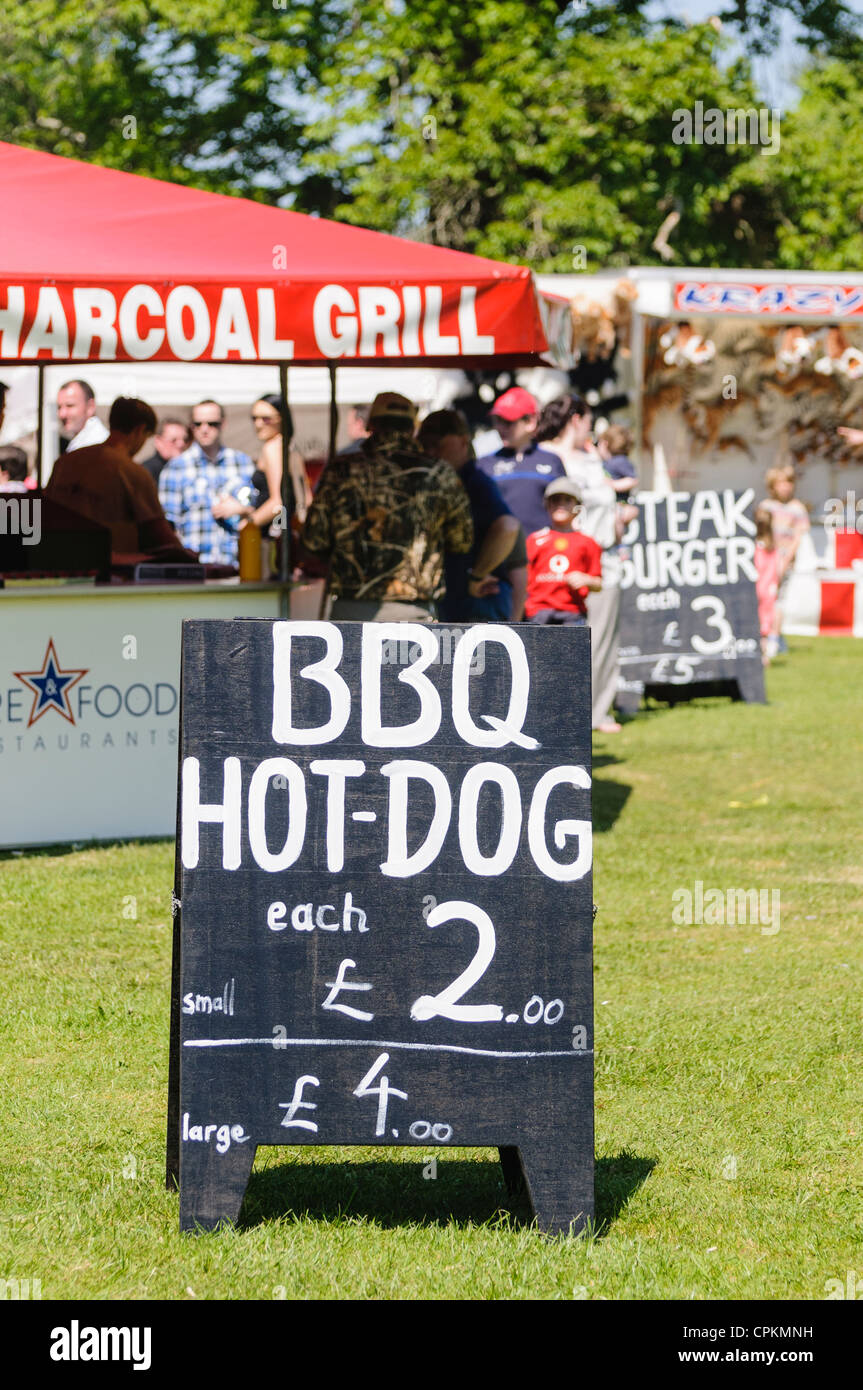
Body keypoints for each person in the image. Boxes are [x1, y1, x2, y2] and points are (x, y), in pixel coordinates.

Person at [301, 391, 473, 622]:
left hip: (352, 608)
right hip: (414, 611)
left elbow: (314, 539)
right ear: (413, 428)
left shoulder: (341, 471)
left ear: (371, 425)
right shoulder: (439, 474)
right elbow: (462, 541)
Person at [536, 393, 623, 732]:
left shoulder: (591, 459)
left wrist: (620, 522)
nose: (591, 426)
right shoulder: (548, 457)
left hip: (603, 557)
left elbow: (604, 505)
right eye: (588, 419)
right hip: (558, 563)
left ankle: (598, 711)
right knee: (559, 646)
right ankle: (558, 713)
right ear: (576, 419)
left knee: (600, 641)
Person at [45, 397, 196, 559]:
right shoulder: (131, 471)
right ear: (140, 430)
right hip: (111, 568)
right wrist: (186, 557)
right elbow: (158, 531)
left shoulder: (64, 463)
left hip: (61, 560)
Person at [417, 408, 519, 622]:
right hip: (459, 602)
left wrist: (477, 576)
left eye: (438, 444)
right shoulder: (450, 482)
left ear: (463, 442)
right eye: (425, 445)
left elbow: (508, 528)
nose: (430, 452)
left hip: (477, 603)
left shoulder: (474, 483)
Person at [158, 399, 253, 567]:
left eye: (212, 423)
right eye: (198, 424)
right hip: (194, 569)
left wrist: (243, 509)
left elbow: (264, 510)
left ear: (223, 424)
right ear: (191, 427)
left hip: (238, 564)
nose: (204, 429)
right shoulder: (175, 468)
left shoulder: (243, 463)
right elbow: (167, 526)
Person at [211, 394, 312, 531]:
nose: (258, 424)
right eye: (254, 418)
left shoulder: (273, 447)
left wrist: (248, 525)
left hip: (271, 536)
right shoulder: (291, 447)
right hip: (286, 532)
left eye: (266, 419)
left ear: (281, 419)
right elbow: (307, 498)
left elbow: (278, 502)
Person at [475, 387, 566, 536]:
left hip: (543, 552)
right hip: (499, 552)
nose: (500, 427)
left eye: (507, 422)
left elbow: (566, 507)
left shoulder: (552, 462)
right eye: (497, 420)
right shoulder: (484, 465)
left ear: (530, 421)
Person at [526, 480, 602, 625]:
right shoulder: (534, 540)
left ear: (578, 507)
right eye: (555, 500)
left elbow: (598, 582)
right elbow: (524, 579)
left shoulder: (588, 543)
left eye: (567, 500)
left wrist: (586, 579)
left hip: (573, 612)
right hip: (538, 611)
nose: (560, 505)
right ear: (547, 505)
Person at [758, 463, 810, 647]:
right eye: (780, 484)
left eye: (788, 483)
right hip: (764, 560)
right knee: (762, 597)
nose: (785, 488)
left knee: (777, 598)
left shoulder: (797, 508)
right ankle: (763, 634)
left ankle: (773, 637)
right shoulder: (766, 506)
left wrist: (785, 561)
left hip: (783, 559)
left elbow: (797, 538)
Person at [754, 505, 784, 664]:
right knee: (767, 620)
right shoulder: (772, 546)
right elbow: (777, 569)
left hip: (758, 587)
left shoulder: (753, 545)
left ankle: (764, 654)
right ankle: (766, 652)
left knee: (760, 621)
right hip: (769, 588)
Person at [56, 380, 109, 453]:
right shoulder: (82, 441)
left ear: (90, 406)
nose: (62, 414)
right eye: (59, 407)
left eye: (70, 406)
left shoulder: (94, 443)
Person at [138, 418, 190, 485]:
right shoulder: (146, 471)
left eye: (185, 440)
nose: (181, 444)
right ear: (158, 442)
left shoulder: (190, 468)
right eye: (174, 440)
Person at [597, 424, 638, 495]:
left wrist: (613, 484)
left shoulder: (619, 460)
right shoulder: (607, 461)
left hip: (620, 502)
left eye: (598, 443)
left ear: (605, 443)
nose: (597, 446)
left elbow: (632, 480)